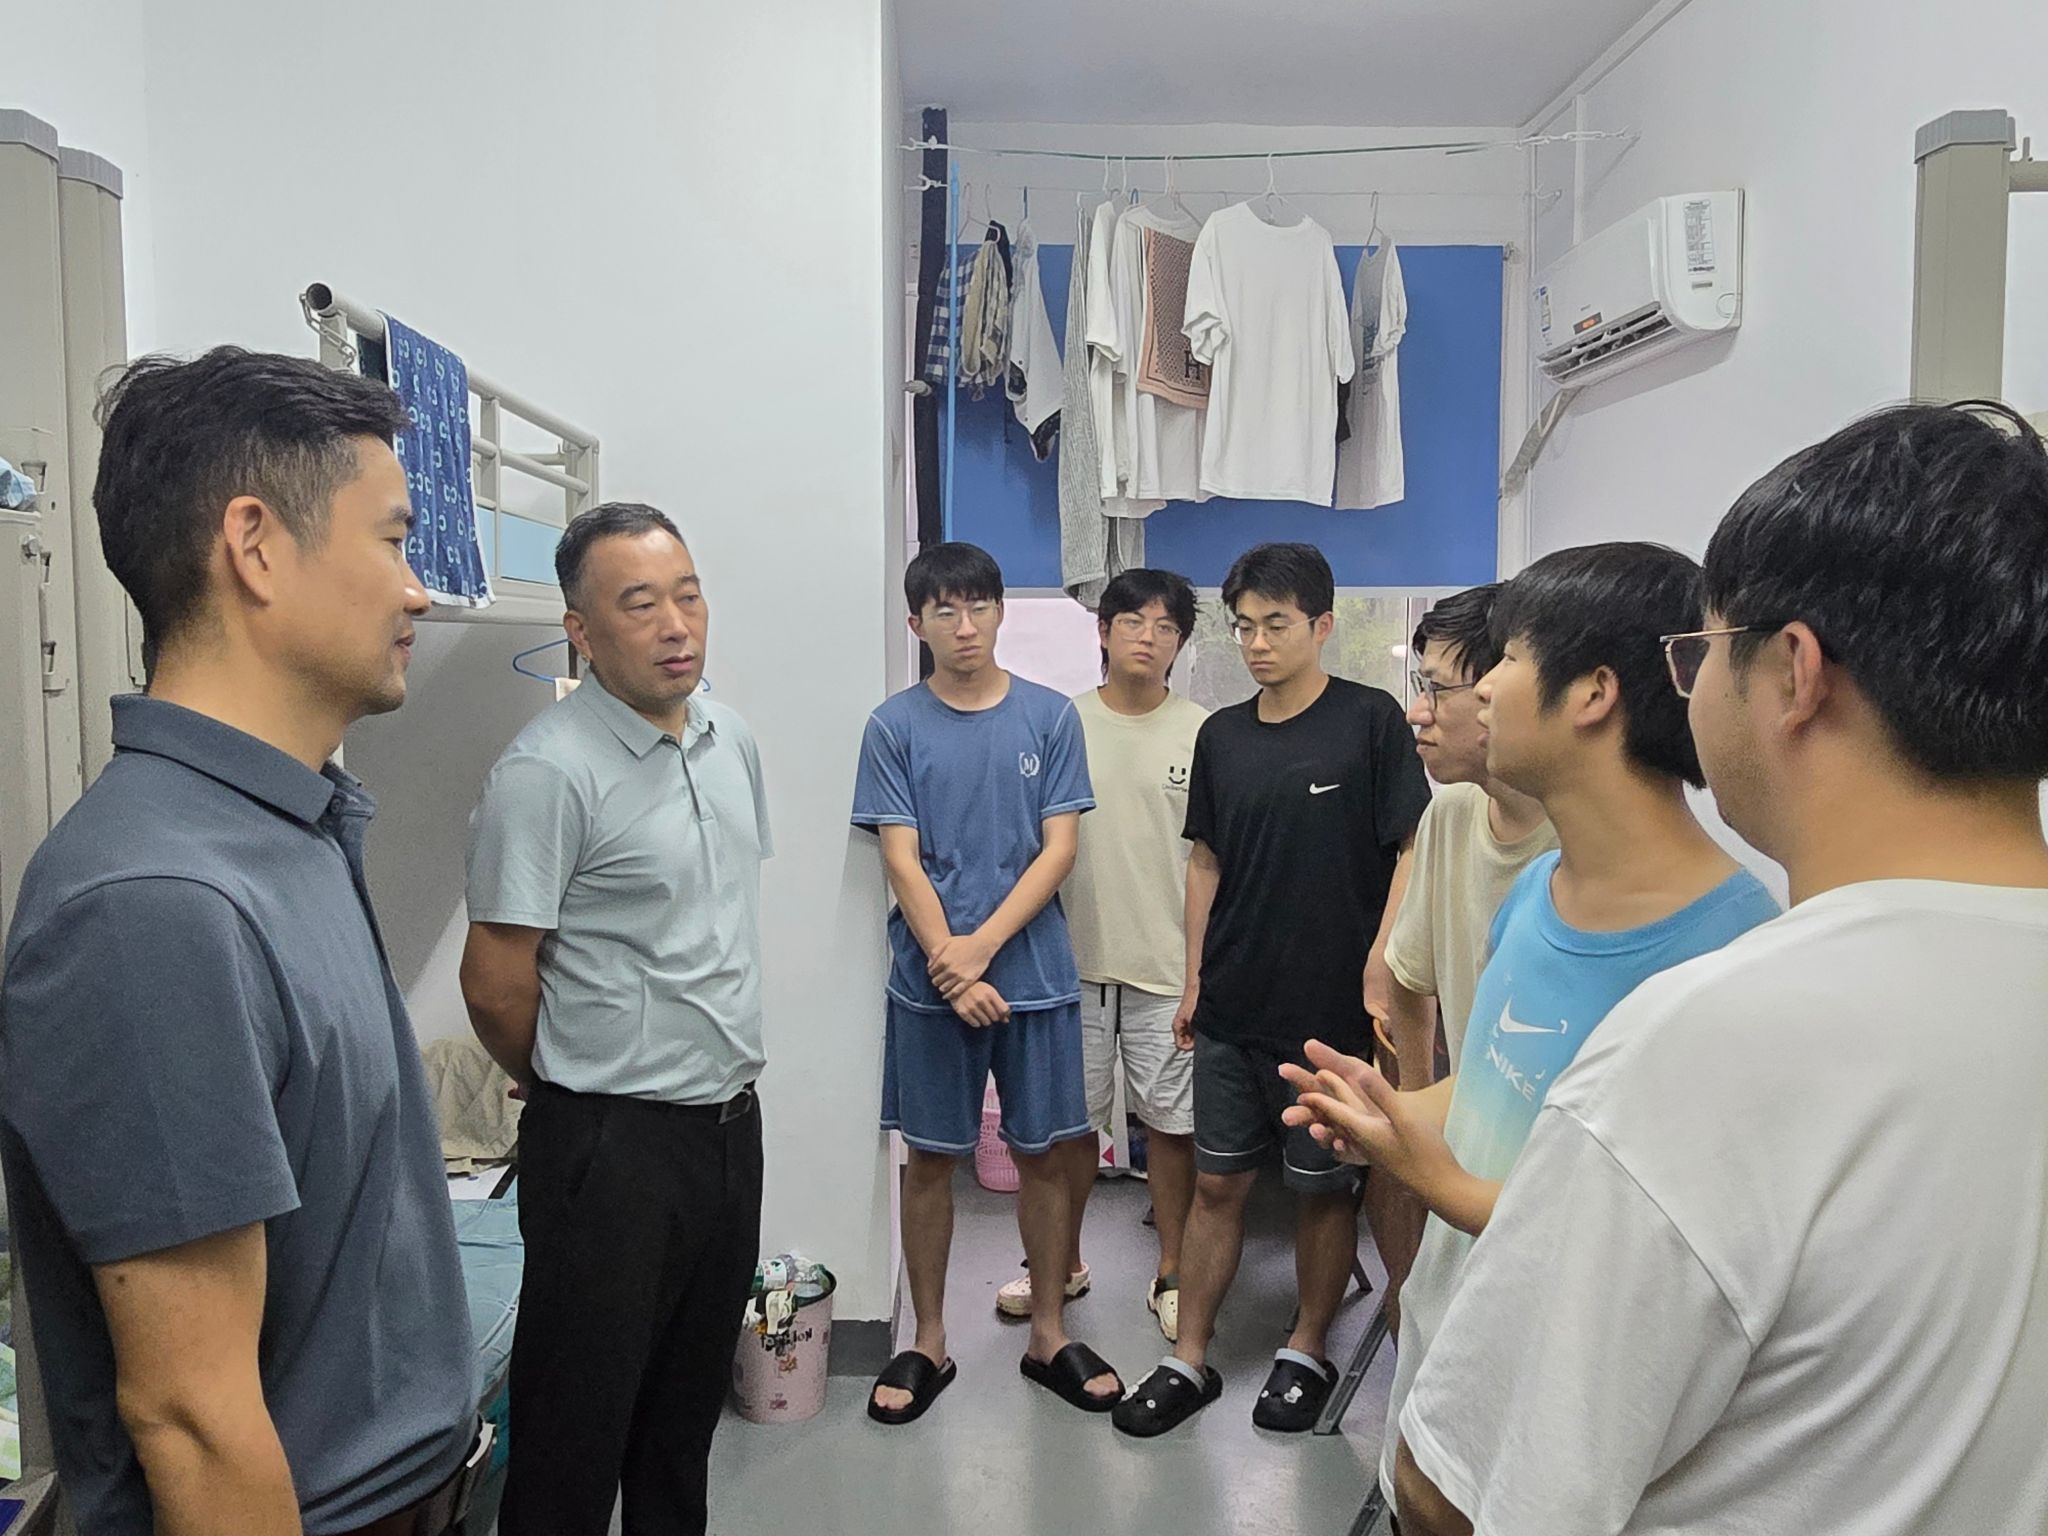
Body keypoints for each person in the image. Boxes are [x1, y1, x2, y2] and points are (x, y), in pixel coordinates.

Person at [1369, 405, 2048, 1536]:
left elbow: (1455, 1492)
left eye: (1703, 654)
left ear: (1793, 673)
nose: (1687, 692)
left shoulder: (1707, 1039)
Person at [0, 348, 480, 1536]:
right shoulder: (154, 904)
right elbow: (193, 1417)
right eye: (392, 541)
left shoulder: (290, 825)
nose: (417, 591)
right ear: (255, 545)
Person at [1282, 542, 1782, 1522]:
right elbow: (1489, 1088)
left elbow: (1640, 1252)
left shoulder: (1728, 957)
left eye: (1505, 661)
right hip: (1452, 1338)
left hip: (1564, 1418)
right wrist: (1388, 1111)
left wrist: (1420, 1171)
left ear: (1592, 692)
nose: (1475, 692)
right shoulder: (1538, 891)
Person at [462, 503, 771, 1536]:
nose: (676, 625)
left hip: (728, 1128)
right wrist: (565, 1074)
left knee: (682, 1429)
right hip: (608, 1146)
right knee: (572, 1440)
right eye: (640, 605)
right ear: (582, 632)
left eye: (688, 595)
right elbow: (495, 982)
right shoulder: (546, 772)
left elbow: (713, 924)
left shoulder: (728, 738)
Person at [1112, 542, 1432, 1439]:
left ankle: (1306, 1348)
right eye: (1244, 626)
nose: (1256, 643)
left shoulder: (1369, 721)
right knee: (1217, 1186)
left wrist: (1379, 962)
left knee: (1321, 1192)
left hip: (1328, 1015)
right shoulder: (1222, 736)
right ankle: (1189, 1356)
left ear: (1322, 626)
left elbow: (1412, 846)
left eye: (1276, 625)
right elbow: (1205, 862)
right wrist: (1193, 979)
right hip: (1232, 1007)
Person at [852, 542, 1124, 1424]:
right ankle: (928, 1338)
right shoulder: (893, 726)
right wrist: (949, 964)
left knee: (1044, 1154)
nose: (964, 626)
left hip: (1033, 975)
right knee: (931, 1158)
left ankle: (1048, 1331)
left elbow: (1059, 850)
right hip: (929, 985)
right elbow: (901, 858)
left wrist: (979, 950)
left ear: (1001, 612)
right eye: (945, 611)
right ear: (916, 623)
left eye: (978, 607)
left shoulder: (1050, 717)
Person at [995, 569, 1207, 1340]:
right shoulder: (1061, 724)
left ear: (1180, 643)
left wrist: (1201, 974)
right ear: (1104, 632)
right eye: (1133, 622)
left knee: (1172, 1130)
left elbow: (1214, 859)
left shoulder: (1203, 733)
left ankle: (1173, 1272)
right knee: (1065, 1131)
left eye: (1166, 626)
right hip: (1069, 965)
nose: (1148, 637)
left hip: (1169, 969)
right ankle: (1062, 1264)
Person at [1367, 585, 1557, 1324]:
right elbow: (1406, 977)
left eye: (1436, 690)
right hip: (1469, 1158)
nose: (1417, 713)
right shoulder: (1448, 815)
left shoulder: (1578, 849)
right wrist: (1418, 1114)